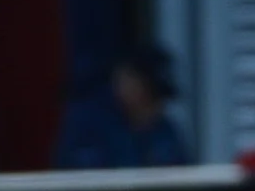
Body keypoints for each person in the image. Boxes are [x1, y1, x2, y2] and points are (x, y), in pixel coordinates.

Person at [53, 44, 193, 170]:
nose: (157, 107)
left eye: (160, 99)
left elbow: (182, 179)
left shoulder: (165, 131)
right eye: (151, 96)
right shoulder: (88, 124)